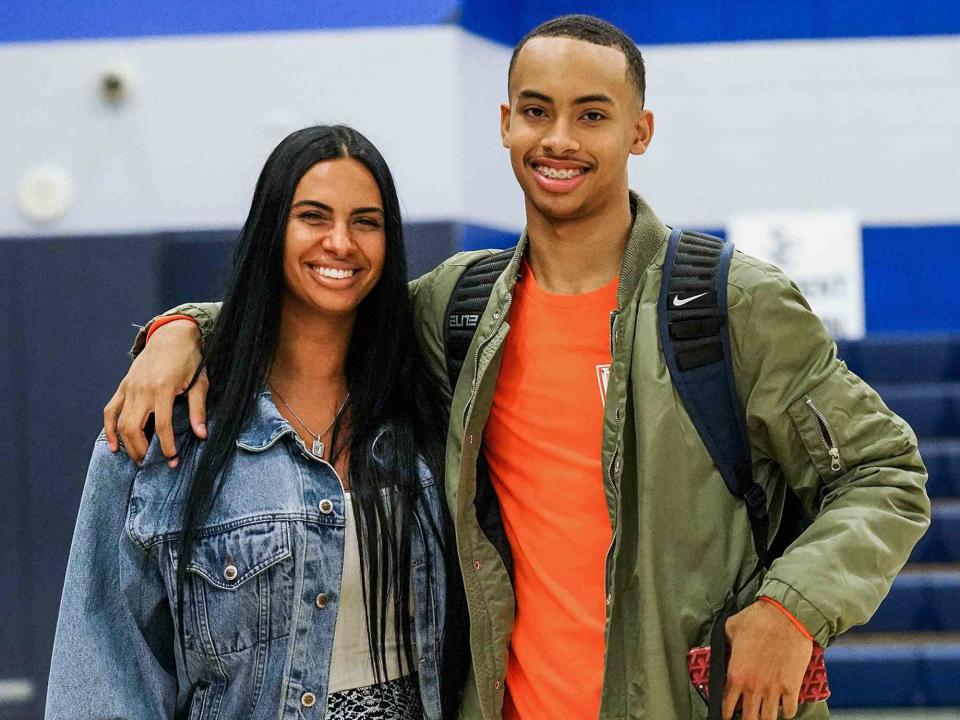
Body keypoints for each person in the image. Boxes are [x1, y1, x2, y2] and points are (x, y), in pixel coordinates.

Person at [101, 16, 930, 720]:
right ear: (505, 123)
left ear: (639, 131)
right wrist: (181, 330)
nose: (559, 140)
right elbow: (323, 308)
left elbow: (884, 474)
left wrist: (793, 607)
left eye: (591, 115)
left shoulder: (729, 306)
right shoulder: (460, 309)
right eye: (537, 112)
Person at [47, 125, 470, 719]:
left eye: (366, 222)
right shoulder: (163, 428)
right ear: (273, 230)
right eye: (313, 216)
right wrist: (176, 333)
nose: (341, 242)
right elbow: (104, 674)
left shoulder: (423, 406)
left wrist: (182, 326)